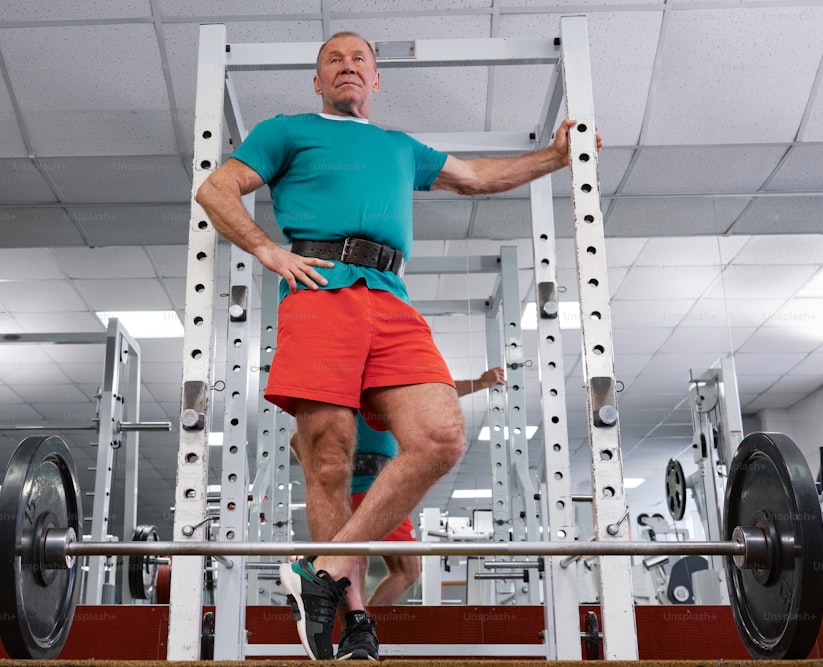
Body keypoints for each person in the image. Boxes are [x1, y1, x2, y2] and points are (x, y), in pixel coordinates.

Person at [195, 30, 600, 661]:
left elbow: (476, 177)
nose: (348, 66)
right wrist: (268, 251)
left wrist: (556, 158)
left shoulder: (399, 147)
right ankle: (352, 617)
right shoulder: (286, 130)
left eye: (361, 59)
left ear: (377, 79)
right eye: (335, 59)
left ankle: (320, 573)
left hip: (389, 297)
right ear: (318, 79)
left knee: (440, 438)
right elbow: (216, 190)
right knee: (328, 456)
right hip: (319, 287)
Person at [291, 367, 506, 606]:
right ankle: (362, 625)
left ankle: (355, 626)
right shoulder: (376, 391)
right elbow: (438, 395)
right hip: (374, 493)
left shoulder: (341, 401)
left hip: (348, 494)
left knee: (352, 563)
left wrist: (321, 476)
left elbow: (297, 440)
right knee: (407, 569)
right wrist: (479, 382)